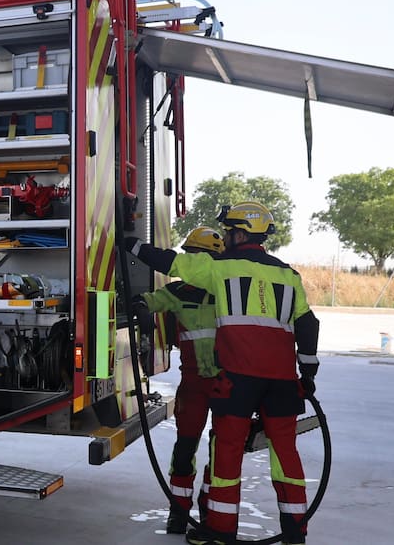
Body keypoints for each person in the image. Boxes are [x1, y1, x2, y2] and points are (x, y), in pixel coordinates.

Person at [125, 202, 319, 545]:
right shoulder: (289, 274)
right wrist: (308, 370)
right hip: (282, 382)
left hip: (239, 379)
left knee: (226, 453)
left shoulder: (221, 268)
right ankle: (295, 534)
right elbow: (307, 323)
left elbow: (170, 262)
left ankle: (220, 532)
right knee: (286, 455)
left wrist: (132, 245)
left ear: (240, 233)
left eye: (229, 232)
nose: (226, 238)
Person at [132, 226, 224, 534]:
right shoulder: (175, 293)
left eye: (200, 257)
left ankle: (211, 508)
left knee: (221, 449)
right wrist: (141, 308)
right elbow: (149, 300)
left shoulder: (228, 293)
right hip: (194, 385)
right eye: (191, 256)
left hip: (227, 384)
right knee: (185, 449)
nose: (194, 263)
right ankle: (179, 512)